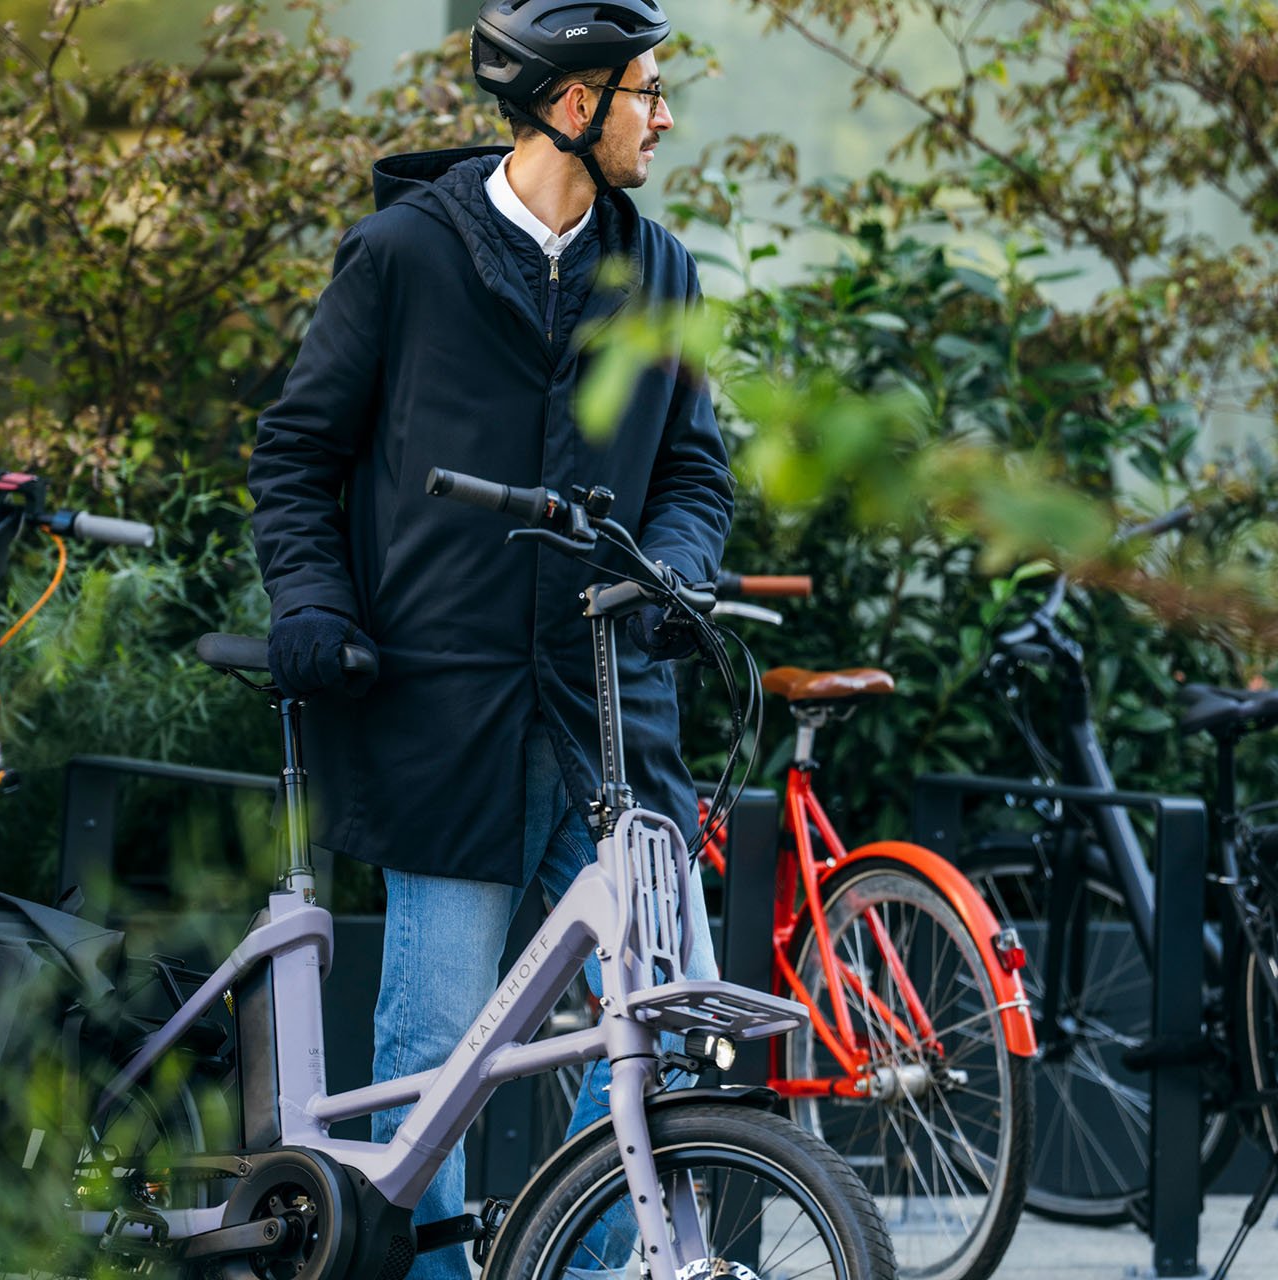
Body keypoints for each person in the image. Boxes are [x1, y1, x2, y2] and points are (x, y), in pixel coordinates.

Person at [247, 2, 729, 1275]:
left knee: (672, 1018)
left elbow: (696, 472)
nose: (665, 117)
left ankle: (575, 1251)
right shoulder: (406, 253)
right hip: (443, 707)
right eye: (648, 92)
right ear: (573, 103)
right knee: (434, 1057)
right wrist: (312, 604)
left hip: (613, 706)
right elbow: (298, 451)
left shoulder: (662, 271)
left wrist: (675, 569)